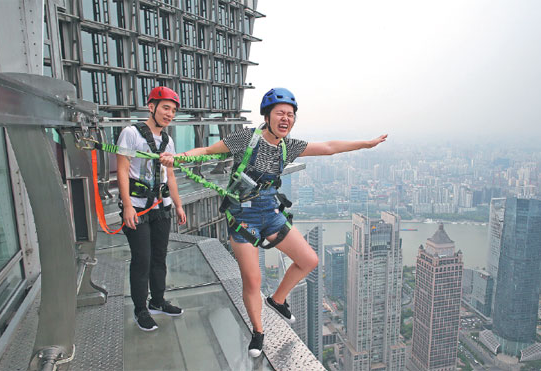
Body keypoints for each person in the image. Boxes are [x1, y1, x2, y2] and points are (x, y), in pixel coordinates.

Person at [160, 87, 386, 356]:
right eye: (280, 113)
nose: (286, 119)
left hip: (271, 212)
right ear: (267, 116)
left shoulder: (287, 147)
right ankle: (258, 332)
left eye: (290, 115)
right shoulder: (247, 139)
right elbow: (208, 150)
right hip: (243, 216)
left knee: (309, 260)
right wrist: (179, 157)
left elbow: (327, 148)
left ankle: (277, 300)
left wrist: (365, 144)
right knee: (252, 281)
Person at [116, 86, 187, 331]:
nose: (170, 114)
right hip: (137, 207)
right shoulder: (131, 133)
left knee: (159, 257)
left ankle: (157, 301)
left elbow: (171, 176)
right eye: (166, 108)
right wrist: (127, 206)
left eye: (173, 110)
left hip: (161, 207)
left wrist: (177, 205)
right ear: (151, 106)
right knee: (142, 259)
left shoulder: (168, 140)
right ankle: (140, 310)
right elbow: (123, 170)